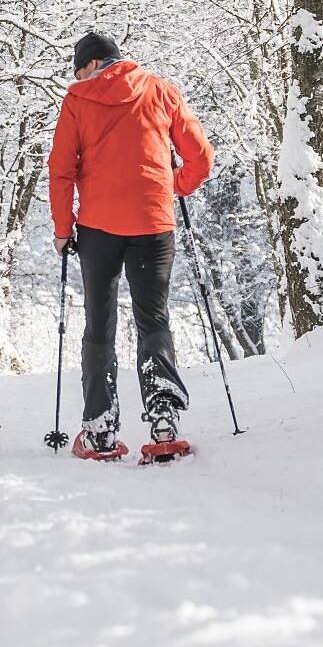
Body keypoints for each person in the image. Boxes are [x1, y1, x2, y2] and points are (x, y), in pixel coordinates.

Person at [48, 31, 214, 461]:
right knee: (153, 320)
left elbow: (61, 172)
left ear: (87, 66)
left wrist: (63, 230)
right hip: (153, 224)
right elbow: (201, 158)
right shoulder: (160, 90)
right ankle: (163, 421)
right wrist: (171, 185)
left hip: (98, 228)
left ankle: (100, 428)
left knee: (99, 323)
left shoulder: (78, 100)